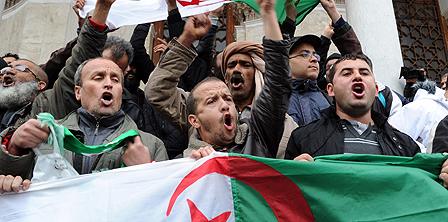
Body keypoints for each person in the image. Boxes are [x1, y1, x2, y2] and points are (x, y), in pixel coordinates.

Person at [146, 0, 291, 159]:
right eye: (211, 101)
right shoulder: (184, 165)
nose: (224, 105)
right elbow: (156, 91)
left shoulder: (258, 136)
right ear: (194, 120)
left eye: (228, 99)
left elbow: (278, 83)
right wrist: (187, 39)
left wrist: (269, 14)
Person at [0, 58, 168, 193]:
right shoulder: (44, 134)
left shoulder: (150, 145)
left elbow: (163, 207)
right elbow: (11, 183)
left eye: (115, 80)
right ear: (78, 92)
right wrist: (14, 148)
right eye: (99, 77)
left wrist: (145, 172)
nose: (109, 83)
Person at [285, 54, 420, 160]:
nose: (357, 76)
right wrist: (295, 174)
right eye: (347, 73)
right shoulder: (303, 139)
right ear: (331, 90)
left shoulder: (406, 146)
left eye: (364, 73)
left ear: (376, 90)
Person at [0, 59, 48, 132]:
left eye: (20, 68)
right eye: (8, 68)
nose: (8, 71)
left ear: (39, 85)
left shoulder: (46, 107)